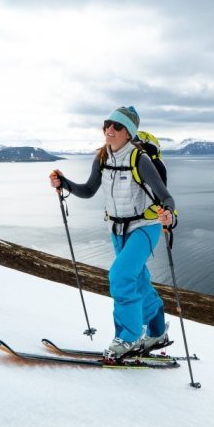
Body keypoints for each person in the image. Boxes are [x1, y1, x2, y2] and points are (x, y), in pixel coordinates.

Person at [49, 106, 175, 360]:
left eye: (117, 126)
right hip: (117, 229)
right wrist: (65, 184)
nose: (109, 129)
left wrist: (168, 214)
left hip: (145, 228)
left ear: (128, 133)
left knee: (120, 276)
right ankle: (158, 332)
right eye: (107, 124)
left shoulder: (140, 160)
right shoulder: (102, 159)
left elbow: (166, 197)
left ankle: (127, 338)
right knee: (137, 281)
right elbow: (88, 190)